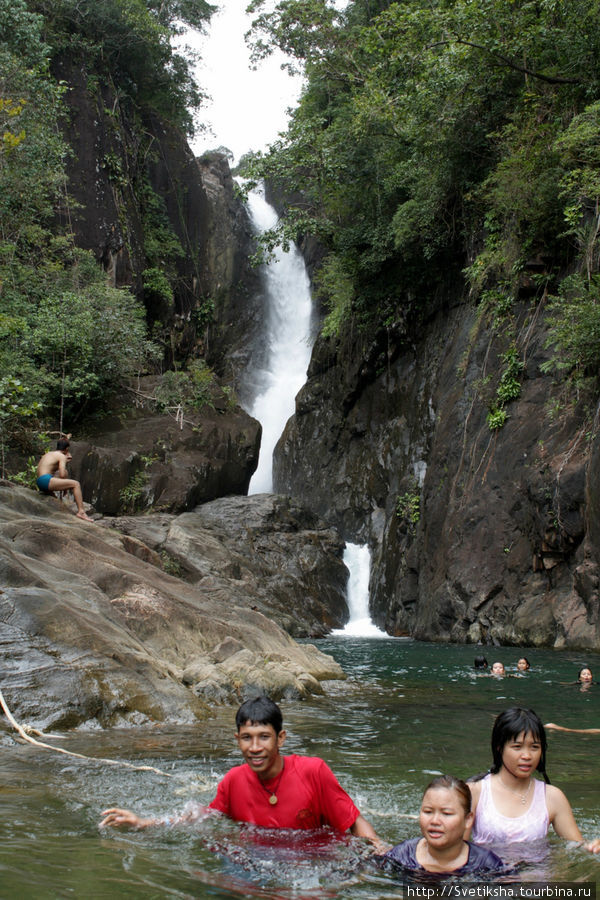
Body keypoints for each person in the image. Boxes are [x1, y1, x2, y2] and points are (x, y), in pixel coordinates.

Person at [100, 696, 385, 849]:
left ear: (281, 738)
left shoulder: (314, 771)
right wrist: (142, 823)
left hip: (312, 861)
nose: (255, 747)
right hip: (256, 860)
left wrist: (379, 851)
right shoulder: (232, 780)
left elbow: (354, 821)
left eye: (264, 737)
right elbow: (197, 819)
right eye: (247, 737)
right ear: (237, 739)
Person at [467, 707, 600, 853]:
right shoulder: (475, 792)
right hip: (486, 874)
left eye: (534, 747)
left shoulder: (552, 797)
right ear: (499, 748)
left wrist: (592, 847)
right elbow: (457, 849)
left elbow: (577, 847)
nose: (527, 756)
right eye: (517, 747)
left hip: (536, 874)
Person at [382, 775, 504, 875]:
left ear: (468, 819)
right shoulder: (401, 857)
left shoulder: (487, 866)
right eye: (428, 812)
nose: (435, 821)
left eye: (446, 813)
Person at [36, 439, 93, 522]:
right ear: (67, 449)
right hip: (46, 480)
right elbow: (62, 474)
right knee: (75, 484)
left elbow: (60, 472)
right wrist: (65, 487)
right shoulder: (61, 456)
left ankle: (50, 495)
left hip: (40, 481)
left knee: (65, 473)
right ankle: (81, 512)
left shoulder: (48, 454)